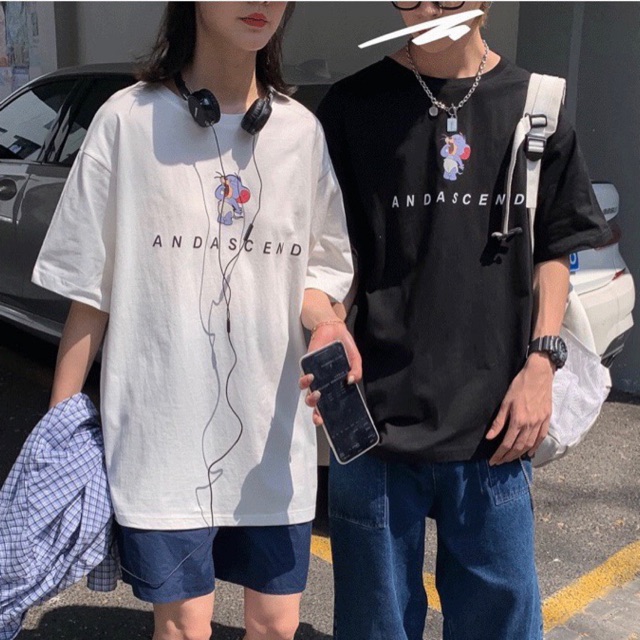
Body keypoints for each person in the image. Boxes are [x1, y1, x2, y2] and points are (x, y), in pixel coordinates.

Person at [31, 3, 360, 640]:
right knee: (184, 628)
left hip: (273, 444)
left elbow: (320, 270)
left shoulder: (301, 133)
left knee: (276, 626)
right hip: (161, 442)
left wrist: (326, 321)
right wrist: (56, 437)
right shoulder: (127, 122)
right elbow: (90, 293)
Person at [309, 2, 612, 639]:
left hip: (496, 424)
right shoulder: (351, 108)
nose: (428, 9)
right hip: (373, 422)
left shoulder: (537, 105)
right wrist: (326, 328)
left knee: (500, 628)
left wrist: (541, 364)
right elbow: (329, 254)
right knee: (373, 629)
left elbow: (555, 248)